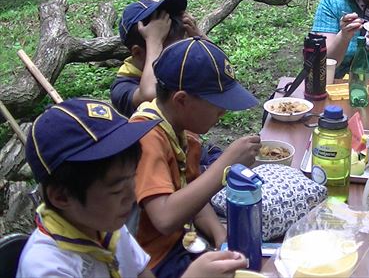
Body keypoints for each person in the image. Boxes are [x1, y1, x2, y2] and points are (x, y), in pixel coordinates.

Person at [16, 98, 249, 278]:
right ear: (61, 196)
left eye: (132, 178)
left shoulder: (105, 227)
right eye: (117, 189)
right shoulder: (48, 269)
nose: (132, 194)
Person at [130, 37, 262, 278]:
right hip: (154, 261)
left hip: (183, 244)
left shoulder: (183, 131)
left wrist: (219, 235)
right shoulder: (146, 136)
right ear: (181, 100)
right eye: (218, 104)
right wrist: (225, 165)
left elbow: (192, 195)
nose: (224, 112)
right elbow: (165, 217)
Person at [111, 0, 206, 117]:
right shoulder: (122, 87)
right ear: (138, 52)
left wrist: (200, 38)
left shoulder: (177, 67)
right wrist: (154, 41)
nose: (179, 55)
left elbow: (221, 71)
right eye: (170, 51)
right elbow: (151, 95)